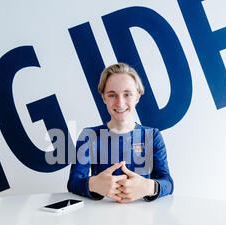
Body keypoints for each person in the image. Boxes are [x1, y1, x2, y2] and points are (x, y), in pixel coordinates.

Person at [67, 63, 173, 203]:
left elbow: (168, 183)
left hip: (144, 216)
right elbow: (73, 182)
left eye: (127, 94)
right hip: (99, 216)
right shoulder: (89, 136)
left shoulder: (152, 136)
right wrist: (93, 184)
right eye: (112, 95)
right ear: (104, 97)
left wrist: (148, 187)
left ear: (138, 96)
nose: (120, 103)